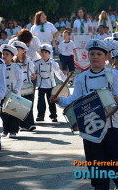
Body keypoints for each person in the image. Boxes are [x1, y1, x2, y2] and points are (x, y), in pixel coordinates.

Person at [50, 39, 118, 190]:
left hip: (112, 128)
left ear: (107, 56)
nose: (95, 56)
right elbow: (74, 100)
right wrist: (59, 99)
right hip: (90, 129)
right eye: (92, 53)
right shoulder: (82, 78)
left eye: (99, 54)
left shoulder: (114, 75)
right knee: (97, 166)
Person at [34, 44, 66, 122]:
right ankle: (40, 116)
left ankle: (53, 116)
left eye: (46, 52)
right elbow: (33, 73)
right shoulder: (36, 63)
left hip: (51, 85)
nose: (44, 54)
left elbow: (58, 73)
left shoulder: (53, 63)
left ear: (49, 53)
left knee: (51, 101)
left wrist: (64, 80)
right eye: (42, 52)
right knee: (40, 102)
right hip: (41, 85)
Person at [12, 41, 36, 131]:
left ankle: (30, 124)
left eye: (18, 49)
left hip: (27, 86)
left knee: (29, 105)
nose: (16, 51)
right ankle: (22, 125)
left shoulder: (28, 61)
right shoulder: (13, 61)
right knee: (20, 106)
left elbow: (32, 73)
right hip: (17, 87)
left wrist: (33, 76)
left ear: (23, 50)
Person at [0, 44, 23, 137]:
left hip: (13, 93)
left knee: (14, 112)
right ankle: (5, 129)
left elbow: (20, 80)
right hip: (2, 93)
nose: (4, 56)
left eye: (7, 54)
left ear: (12, 56)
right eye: (3, 54)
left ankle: (13, 130)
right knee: (3, 113)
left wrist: (17, 89)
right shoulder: (0, 66)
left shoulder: (16, 67)